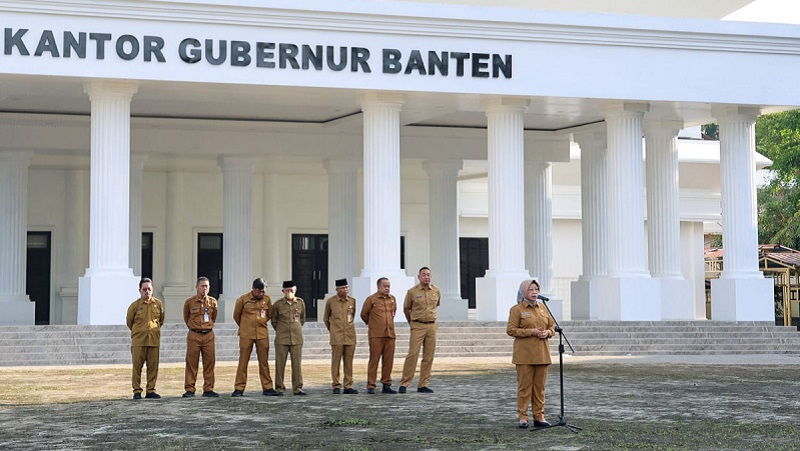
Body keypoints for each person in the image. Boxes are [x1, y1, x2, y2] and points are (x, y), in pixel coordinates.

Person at [506, 278, 555, 429]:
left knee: (539, 388)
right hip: (524, 355)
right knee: (525, 387)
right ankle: (523, 417)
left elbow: (552, 326)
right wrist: (531, 332)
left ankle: (539, 416)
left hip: (542, 354)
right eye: (530, 290)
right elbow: (511, 330)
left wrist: (547, 332)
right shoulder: (517, 309)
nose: (534, 292)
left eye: (536, 289)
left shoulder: (543, 307)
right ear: (523, 292)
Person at [232, 278, 282, 397]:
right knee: (243, 361)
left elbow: (269, 314)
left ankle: (267, 387)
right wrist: (245, 325)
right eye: (259, 291)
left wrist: (260, 322)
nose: (261, 294)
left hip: (262, 333)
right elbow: (236, 316)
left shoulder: (267, 299)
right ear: (253, 289)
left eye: (263, 291)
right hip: (246, 334)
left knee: (264, 362)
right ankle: (239, 387)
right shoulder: (242, 299)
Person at [399, 267, 441, 394]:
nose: (426, 277)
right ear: (419, 277)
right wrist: (411, 323)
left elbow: (437, 305)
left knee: (429, 356)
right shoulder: (412, 292)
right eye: (424, 275)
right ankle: (405, 383)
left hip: (432, 325)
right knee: (413, 354)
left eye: (428, 274)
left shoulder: (436, 290)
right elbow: (406, 308)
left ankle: (423, 384)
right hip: (417, 325)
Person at [125, 278, 165, 399]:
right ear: (140, 291)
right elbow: (129, 322)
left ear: (152, 290)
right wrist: (139, 331)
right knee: (137, 366)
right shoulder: (135, 306)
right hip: (139, 341)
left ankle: (150, 390)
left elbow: (161, 320)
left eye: (149, 289)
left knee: (153, 366)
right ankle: (137, 391)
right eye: (144, 289)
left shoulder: (158, 304)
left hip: (153, 340)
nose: (147, 292)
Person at [182, 276, 219, 398]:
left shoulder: (213, 302)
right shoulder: (189, 302)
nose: (204, 288)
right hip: (194, 334)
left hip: (208, 334)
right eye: (202, 286)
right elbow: (186, 317)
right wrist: (194, 327)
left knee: (209, 362)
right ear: (196, 287)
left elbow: (213, 317)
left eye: (206, 286)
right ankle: (190, 388)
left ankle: (208, 388)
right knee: (192, 362)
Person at [360, 277, 397, 394]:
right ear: (378, 287)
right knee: (374, 360)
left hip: (390, 334)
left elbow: (393, 313)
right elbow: (364, 314)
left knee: (388, 361)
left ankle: (386, 384)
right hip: (376, 335)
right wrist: (373, 325)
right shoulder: (371, 299)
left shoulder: (392, 299)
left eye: (388, 286)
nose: (387, 288)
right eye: (385, 286)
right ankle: (371, 385)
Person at [322, 278, 359, 394]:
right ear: (337, 289)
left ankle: (348, 385)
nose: (345, 290)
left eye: (347, 287)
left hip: (349, 335)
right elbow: (326, 318)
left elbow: (353, 316)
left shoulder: (352, 301)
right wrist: (332, 330)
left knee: (349, 362)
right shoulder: (331, 302)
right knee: (336, 361)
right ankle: (336, 385)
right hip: (337, 336)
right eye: (343, 288)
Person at [271, 280, 306, 395]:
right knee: (280, 364)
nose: (289, 292)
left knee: (297, 364)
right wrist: (281, 330)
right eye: (287, 290)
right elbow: (274, 321)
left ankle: (297, 388)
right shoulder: (277, 305)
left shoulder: (300, 303)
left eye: (291, 290)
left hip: (296, 338)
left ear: (295, 290)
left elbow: (302, 319)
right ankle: (279, 387)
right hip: (282, 338)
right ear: (283, 291)